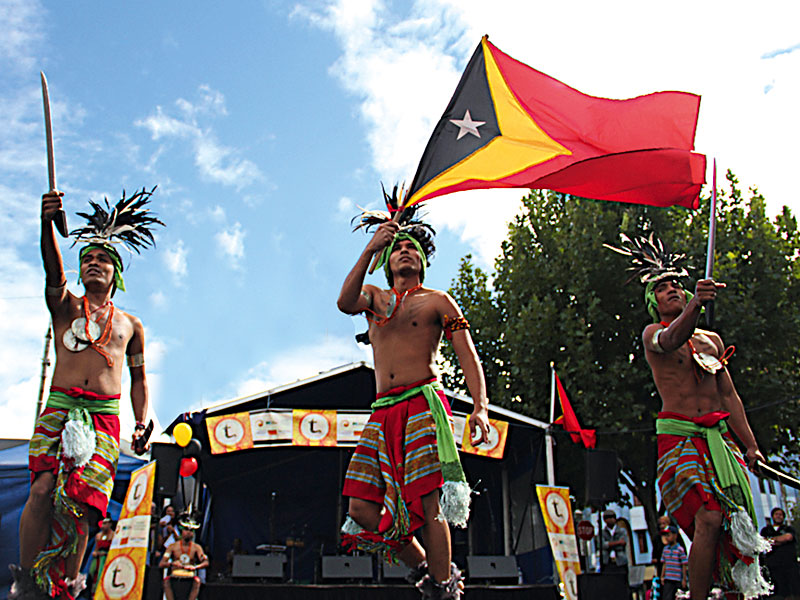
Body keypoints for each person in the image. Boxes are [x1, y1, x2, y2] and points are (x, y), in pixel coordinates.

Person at [337, 187, 491, 599]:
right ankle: (428, 568)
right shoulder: (375, 299)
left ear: (422, 260)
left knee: (427, 503)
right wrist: (372, 247)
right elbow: (343, 301)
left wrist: (481, 407)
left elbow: (467, 354)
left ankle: (443, 588)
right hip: (383, 411)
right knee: (360, 508)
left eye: (413, 248)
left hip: (423, 403)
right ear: (388, 260)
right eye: (399, 247)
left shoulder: (439, 301)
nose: (406, 252)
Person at [10, 187, 162, 600]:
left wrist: (142, 420)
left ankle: (67, 585)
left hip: (104, 417)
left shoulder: (131, 325)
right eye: (87, 259)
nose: (94, 264)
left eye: (102, 259)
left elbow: (139, 379)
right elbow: (51, 270)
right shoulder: (65, 305)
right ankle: (26, 577)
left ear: (116, 272)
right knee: (42, 488)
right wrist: (47, 224)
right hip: (60, 405)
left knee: (84, 501)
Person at [607, 233, 771, 599]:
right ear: (654, 301)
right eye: (663, 288)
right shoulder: (653, 333)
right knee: (709, 518)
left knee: (731, 524)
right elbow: (670, 341)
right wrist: (696, 303)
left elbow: (729, 395)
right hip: (679, 438)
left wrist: (752, 446)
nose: (673, 291)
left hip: (718, 441)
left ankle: (730, 590)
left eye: (677, 286)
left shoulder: (711, 340)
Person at [160, 517, 209, 600]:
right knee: (166, 581)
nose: (188, 533)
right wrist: (172, 563)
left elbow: (206, 562)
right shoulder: (172, 546)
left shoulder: (197, 547)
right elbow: (162, 563)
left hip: (190, 575)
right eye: (186, 530)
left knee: (197, 581)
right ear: (182, 531)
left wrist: (195, 567)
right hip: (175, 574)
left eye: (191, 531)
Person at [761, 507, 800, 600]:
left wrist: (771, 540)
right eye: (776, 514)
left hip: (789, 565)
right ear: (772, 516)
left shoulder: (789, 528)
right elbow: (762, 542)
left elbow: (788, 537)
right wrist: (778, 540)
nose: (778, 516)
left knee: (792, 592)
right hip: (773, 566)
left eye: (780, 515)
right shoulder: (766, 530)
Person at [659, 525, 688, 600]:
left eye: (669, 535)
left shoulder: (679, 549)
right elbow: (664, 564)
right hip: (668, 578)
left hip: (677, 579)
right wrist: (662, 576)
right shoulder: (665, 549)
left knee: (678, 597)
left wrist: (684, 579)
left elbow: (684, 565)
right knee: (667, 597)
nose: (667, 538)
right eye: (666, 535)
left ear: (675, 535)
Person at [87, 516, 115, 593]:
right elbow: (96, 549)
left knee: (101, 574)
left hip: (106, 559)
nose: (103, 526)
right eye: (103, 523)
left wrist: (105, 554)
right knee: (92, 571)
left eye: (105, 523)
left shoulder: (113, 535)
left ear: (110, 524)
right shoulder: (98, 535)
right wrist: (95, 553)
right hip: (98, 558)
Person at [601, 510, 629, 575]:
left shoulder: (622, 531)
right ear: (605, 520)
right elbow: (603, 545)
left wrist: (609, 544)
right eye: (608, 518)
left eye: (613, 517)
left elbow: (623, 542)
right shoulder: (602, 533)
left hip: (621, 561)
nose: (611, 519)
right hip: (607, 561)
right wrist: (618, 542)